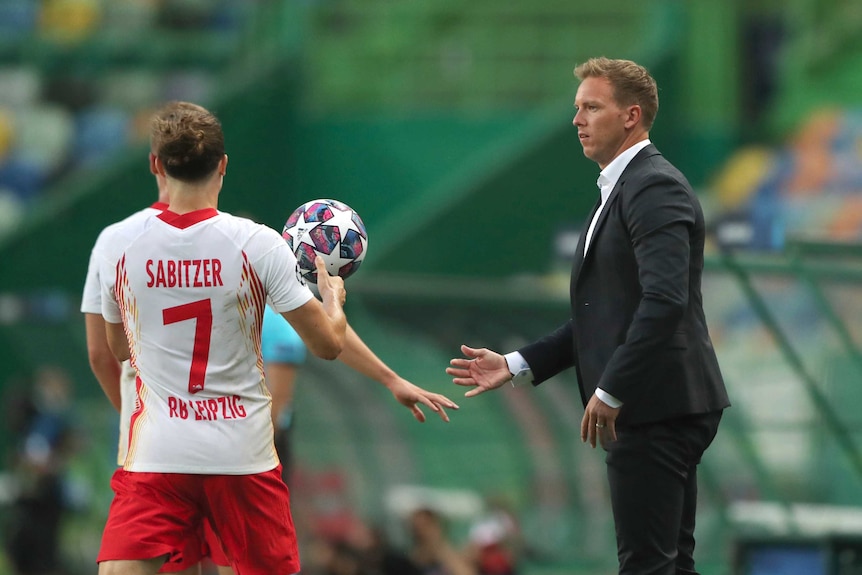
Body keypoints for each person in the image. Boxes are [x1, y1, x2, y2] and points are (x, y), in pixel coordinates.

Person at [93, 101, 457, 575]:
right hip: (240, 456)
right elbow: (326, 344)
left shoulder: (118, 245)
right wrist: (334, 302)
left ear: (157, 165)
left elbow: (118, 350)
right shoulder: (257, 244)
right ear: (223, 165)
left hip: (158, 453)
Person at [447, 57, 729, 575]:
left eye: (592, 107)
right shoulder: (623, 188)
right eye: (576, 108)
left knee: (646, 564)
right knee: (670, 563)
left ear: (631, 116)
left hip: (654, 403)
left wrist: (611, 388)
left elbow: (665, 302)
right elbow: (608, 316)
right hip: (659, 401)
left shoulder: (653, 186)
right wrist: (516, 363)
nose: (577, 119)